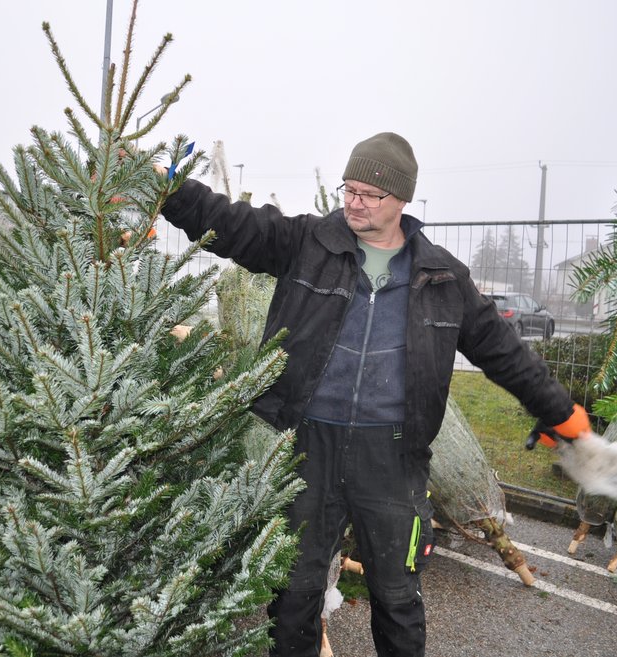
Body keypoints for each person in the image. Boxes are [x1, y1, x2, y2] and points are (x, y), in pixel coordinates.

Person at [157, 132, 591, 657]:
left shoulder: (442, 277)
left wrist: (561, 413)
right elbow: (230, 223)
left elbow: (504, 352)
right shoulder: (307, 244)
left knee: (397, 598)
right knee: (293, 594)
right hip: (307, 448)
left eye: (369, 194)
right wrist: (167, 188)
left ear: (401, 199)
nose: (355, 202)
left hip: (392, 459)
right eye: (350, 189)